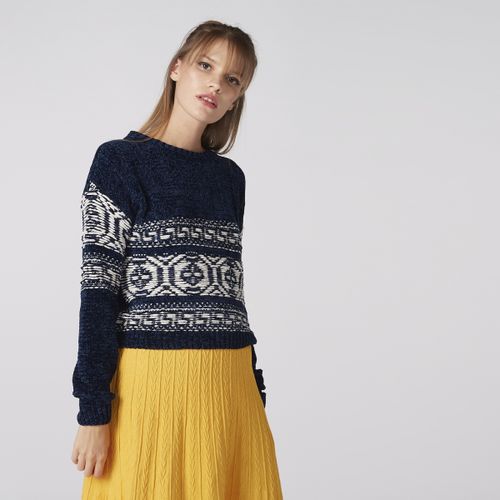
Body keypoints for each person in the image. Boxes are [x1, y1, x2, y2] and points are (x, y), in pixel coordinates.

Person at [69, 19, 284, 499]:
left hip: (229, 385)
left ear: (237, 97)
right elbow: (99, 293)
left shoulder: (230, 179)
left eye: (232, 79)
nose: (216, 84)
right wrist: (92, 410)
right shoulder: (119, 162)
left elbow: (229, 294)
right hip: (151, 387)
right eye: (206, 66)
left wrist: (255, 388)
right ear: (177, 68)